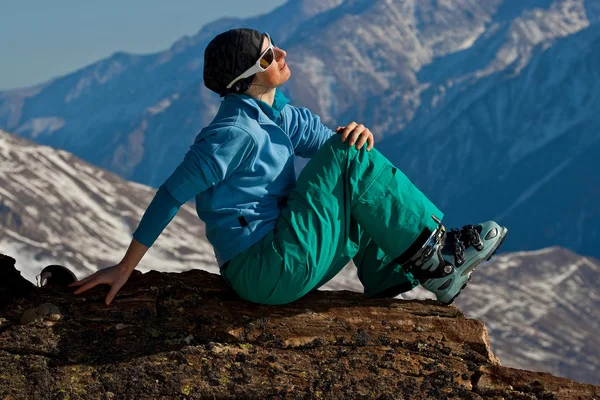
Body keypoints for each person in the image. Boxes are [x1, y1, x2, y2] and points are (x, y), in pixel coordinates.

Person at [70, 28, 507, 306]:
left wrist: (354, 133)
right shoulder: (232, 133)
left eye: (273, 45)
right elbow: (170, 194)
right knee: (346, 157)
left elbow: (342, 159)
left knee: (350, 152)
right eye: (267, 57)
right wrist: (125, 267)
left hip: (285, 252)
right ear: (248, 80)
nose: (280, 54)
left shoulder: (278, 115)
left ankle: (397, 273)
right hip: (262, 268)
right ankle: (438, 257)